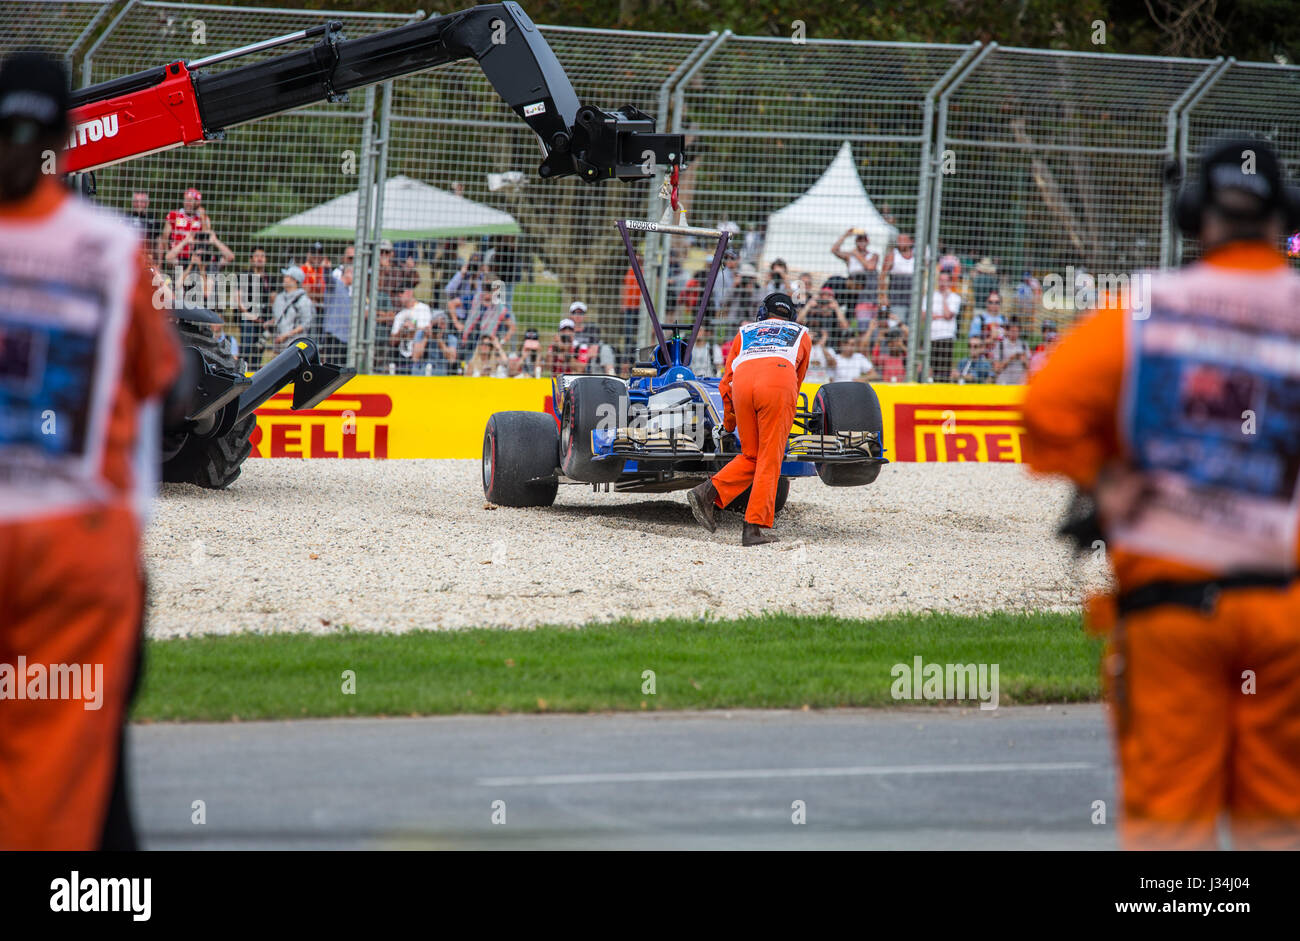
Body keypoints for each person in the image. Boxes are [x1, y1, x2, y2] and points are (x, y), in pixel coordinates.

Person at [1023, 136, 1300, 850]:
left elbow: (1042, 409)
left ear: (1193, 216)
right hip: (1285, 607)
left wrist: (1104, 476)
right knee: (1278, 820)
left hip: (1171, 611)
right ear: (1282, 218)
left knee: (1170, 830)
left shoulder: (1145, 312)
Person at [0, 51, 181, 850]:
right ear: (68, 137)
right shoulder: (110, 247)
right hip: (79, 546)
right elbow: (166, 383)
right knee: (84, 768)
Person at [687, 292, 810, 546]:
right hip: (777, 383)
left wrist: (730, 423)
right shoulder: (801, 334)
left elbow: (726, 382)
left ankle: (707, 492)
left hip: (742, 385)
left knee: (751, 456)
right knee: (769, 459)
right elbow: (796, 380)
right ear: (792, 315)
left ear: (763, 312)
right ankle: (753, 528)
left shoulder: (746, 332)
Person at [235, 247, 273, 368]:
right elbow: (238, 299)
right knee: (246, 348)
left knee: (259, 351)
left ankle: (256, 374)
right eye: (257, 256)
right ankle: (243, 371)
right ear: (251, 259)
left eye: (262, 256)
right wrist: (250, 315)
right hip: (248, 318)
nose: (260, 258)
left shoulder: (269, 278)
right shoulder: (245, 276)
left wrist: (269, 319)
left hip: (264, 321)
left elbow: (273, 300)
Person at [270, 265, 314, 354]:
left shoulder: (303, 300)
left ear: (295, 280)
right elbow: (278, 318)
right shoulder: (279, 298)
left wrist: (286, 335)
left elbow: (305, 324)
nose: (284, 279)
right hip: (279, 346)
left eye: (287, 277)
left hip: (295, 346)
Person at [389, 287, 434, 374]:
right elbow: (392, 341)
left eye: (402, 292)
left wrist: (411, 330)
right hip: (401, 358)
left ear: (410, 292)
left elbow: (424, 333)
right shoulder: (400, 315)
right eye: (398, 293)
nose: (399, 295)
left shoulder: (423, 308)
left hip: (418, 359)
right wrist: (402, 330)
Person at [928, 269, 960, 379]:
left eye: (945, 281)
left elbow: (947, 315)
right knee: (930, 369)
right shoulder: (930, 296)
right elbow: (924, 316)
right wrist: (941, 316)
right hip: (931, 337)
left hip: (946, 337)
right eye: (940, 280)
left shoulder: (954, 298)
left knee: (944, 371)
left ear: (950, 282)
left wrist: (944, 299)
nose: (942, 283)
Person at [319, 263, 353, 364]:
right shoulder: (335, 285)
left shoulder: (348, 292)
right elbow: (328, 279)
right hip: (334, 335)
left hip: (345, 337)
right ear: (348, 273)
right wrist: (327, 268)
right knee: (333, 366)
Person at [990, 318, 1029, 385]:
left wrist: (1024, 360)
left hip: (1019, 386)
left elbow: (1030, 368)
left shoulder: (1024, 345)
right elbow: (996, 369)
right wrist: (1011, 358)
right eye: (1012, 331)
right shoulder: (1000, 345)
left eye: (1017, 331)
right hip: (1004, 385)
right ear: (1007, 331)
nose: (1014, 333)